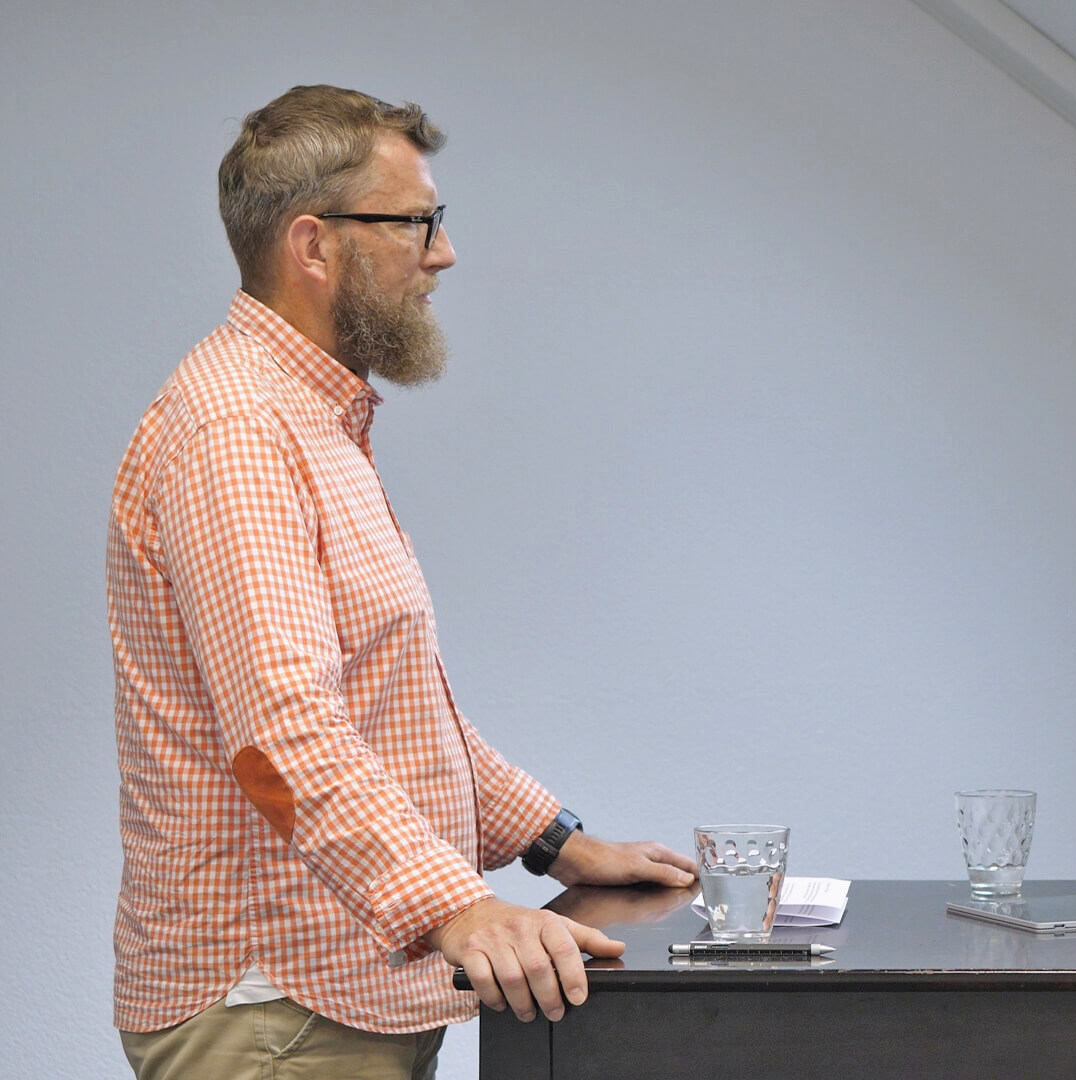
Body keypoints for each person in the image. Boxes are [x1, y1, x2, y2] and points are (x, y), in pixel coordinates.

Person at [107, 85, 698, 1079]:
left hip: (329, 999)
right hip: (278, 1011)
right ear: (313, 245)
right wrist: (457, 907)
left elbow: (390, 704)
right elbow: (283, 736)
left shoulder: (311, 419)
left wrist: (556, 843)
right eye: (415, 222)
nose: (443, 253)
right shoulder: (238, 433)